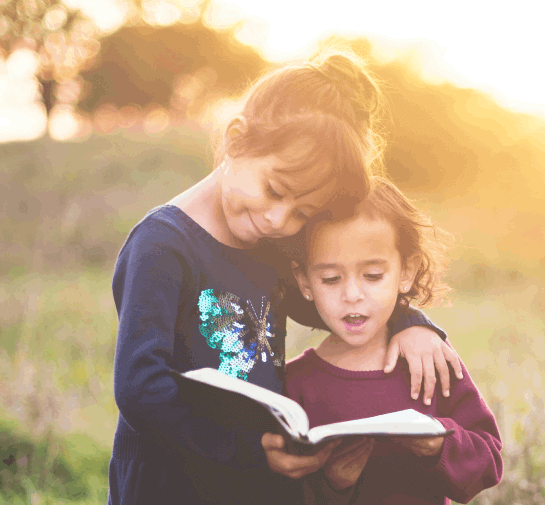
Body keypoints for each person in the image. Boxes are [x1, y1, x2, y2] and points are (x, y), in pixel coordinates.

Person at [107, 49, 462, 505]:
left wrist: (412, 324)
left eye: (303, 213)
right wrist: (248, 450)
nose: (279, 219)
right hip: (170, 479)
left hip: (252, 478)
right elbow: (139, 389)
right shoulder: (162, 245)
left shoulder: (268, 247)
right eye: (275, 190)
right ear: (236, 139)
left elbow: (335, 305)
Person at [287, 177, 503, 504]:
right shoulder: (295, 383)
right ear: (304, 281)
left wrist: (439, 444)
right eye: (330, 279)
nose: (352, 295)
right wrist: (332, 484)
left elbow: (489, 462)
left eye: (373, 276)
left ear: (406, 272)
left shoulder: (429, 360)